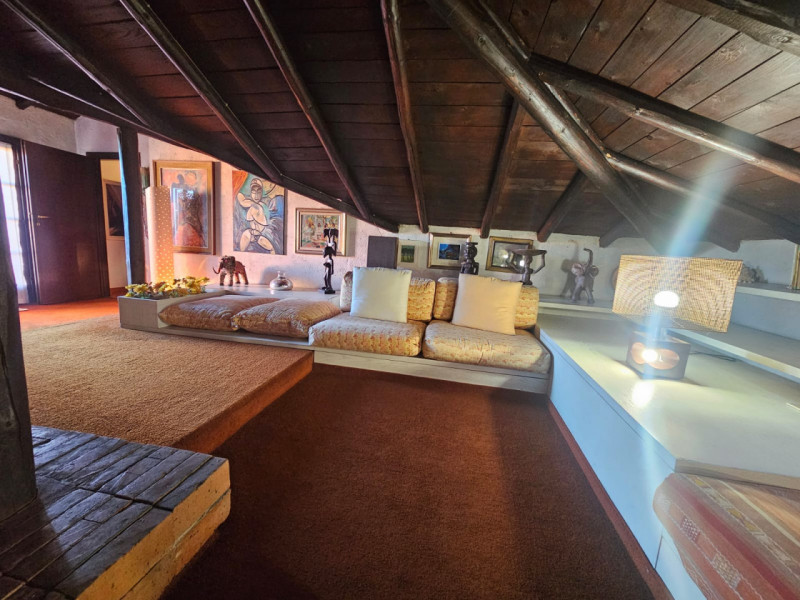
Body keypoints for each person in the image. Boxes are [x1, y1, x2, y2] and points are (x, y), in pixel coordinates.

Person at [236, 178, 283, 253]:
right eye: (253, 192)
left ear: (261, 193)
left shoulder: (260, 206)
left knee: (271, 249)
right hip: (253, 233)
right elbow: (241, 199)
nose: (256, 195)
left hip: (262, 234)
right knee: (245, 238)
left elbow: (243, 201)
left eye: (259, 192)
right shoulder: (251, 205)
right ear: (250, 193)